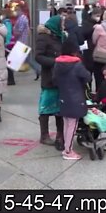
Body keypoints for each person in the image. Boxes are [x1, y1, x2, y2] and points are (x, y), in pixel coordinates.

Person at [52, 37, 91, 160]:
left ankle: (66, 147)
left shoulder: (58, 63)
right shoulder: (77, 64)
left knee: (66, 123)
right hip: (75, 98)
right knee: (72, 125)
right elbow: (87, 77)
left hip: (64, 96)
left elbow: (54, 80)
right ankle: (68, 151)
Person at [35, 15, 66, 147]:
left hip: (61, 78)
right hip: (49, 77)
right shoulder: (43, 37)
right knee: (46, 107)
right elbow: (38, 56)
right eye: (62, 24)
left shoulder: (61, 36)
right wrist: (55, 62)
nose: (63, 26)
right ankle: (44, 135)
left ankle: (60, 134)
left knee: (60, 108)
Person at [13, 4, 41, 80]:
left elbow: (20, 31)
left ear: (20, 10)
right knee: (26, 59)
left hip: (22, 43)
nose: (15, 12)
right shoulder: (22, 18)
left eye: (16, 10)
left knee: (14, 59)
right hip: (23, 43)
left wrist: (14, 31)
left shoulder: (22, 19)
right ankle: (38, 69)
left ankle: (38, 69)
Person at [81, 7, 103, 84]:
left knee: (99, 76)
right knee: (88, 75)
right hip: (89, 51)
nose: (98, 17)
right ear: (93, 15)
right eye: (97, 15)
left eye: (100, 16)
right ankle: (88, 93)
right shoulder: (87, 23)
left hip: (99, 51)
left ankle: (98, 93)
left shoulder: (101, 23)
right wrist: (93, 29)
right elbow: (83, 34)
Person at [0, 9, 16, 85]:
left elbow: (8, 33)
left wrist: (6, 43)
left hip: (8, 44)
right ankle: (10, 79)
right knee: (8, 62)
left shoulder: (6, 22)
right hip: (10, 43)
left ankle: (10, 79)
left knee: (8, 62)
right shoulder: (8, 22)